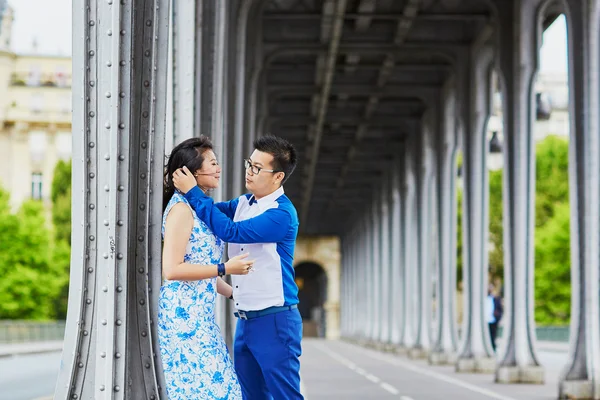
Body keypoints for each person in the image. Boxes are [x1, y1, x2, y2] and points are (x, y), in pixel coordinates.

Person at [172, 135, 303, 400]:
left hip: (275, 320)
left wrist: (193, 192)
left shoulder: (281, 214)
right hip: (245, 321)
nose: (249, 172)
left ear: (278, 177)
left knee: (285, 396)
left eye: (257, 168)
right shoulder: (244, 203)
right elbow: (208, 217)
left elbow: (230, 230)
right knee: (249, 396)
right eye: (249, 164)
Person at [159, 136, 255, 400]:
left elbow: (202, 273)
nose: (218, 168)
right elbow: (173, 269)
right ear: (192, 172)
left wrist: (234, 293)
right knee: (218, 392)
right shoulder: (181, 210)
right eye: (212, 163)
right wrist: (225, 267)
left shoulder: (195, 207)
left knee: (217, 391)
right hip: (182, 316)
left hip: (199, 317)